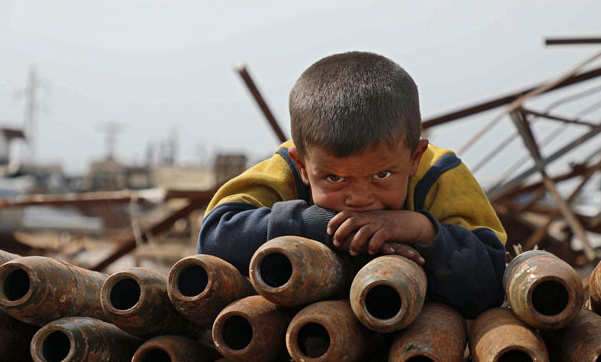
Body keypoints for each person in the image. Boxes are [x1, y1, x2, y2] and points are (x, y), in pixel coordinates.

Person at [198, 51, 507, 318]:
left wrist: (422, 231)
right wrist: (322, 227)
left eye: (382, 175)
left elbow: (490, 283)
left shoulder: (438, 173)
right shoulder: (288, 169)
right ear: (303, 166)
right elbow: (215, 237)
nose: (359, 199)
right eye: (334, 178)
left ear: (414, 157)